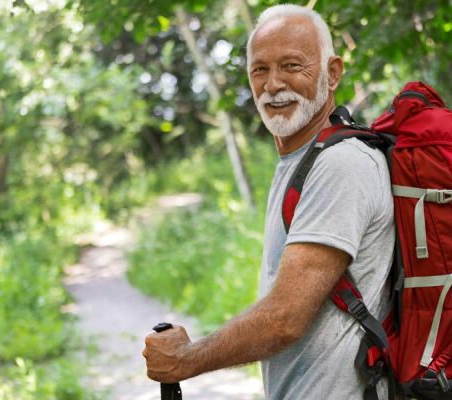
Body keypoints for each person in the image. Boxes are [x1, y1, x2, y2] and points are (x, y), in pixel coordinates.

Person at [142, 5, 395, 399]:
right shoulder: (301, 159)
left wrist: (185, 359)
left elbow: (284, 318)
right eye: (260, 70)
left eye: (292, 65)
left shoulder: (341, 165)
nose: (273, 84)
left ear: (332, 73)